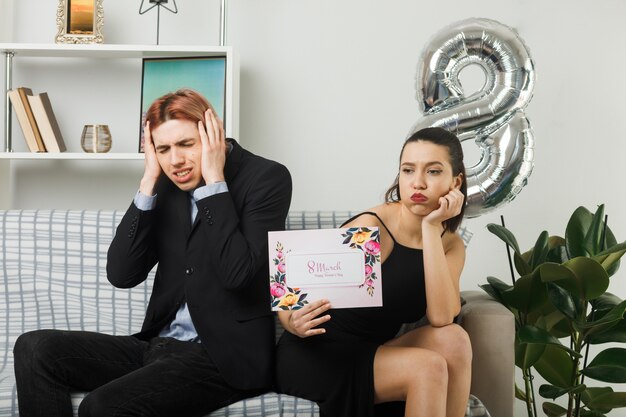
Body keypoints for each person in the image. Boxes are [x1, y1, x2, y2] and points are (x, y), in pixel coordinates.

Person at [13, 88, 293, 417]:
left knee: (100, 407)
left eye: (186, 144)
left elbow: (238, 274)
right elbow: (122, 274)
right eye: (163, 149)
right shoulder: (165, 181)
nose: (175, 160)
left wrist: (214, 180)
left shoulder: (267, 179)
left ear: (213, 134)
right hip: (157, 345)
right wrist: (149, 179)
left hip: (222, 357)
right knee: (34, 348)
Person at [275, 127, 472, 417]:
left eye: (432, 172)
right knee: (427, 367)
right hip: (317, 353)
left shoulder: (449, 244)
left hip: (372, 350)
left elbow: (442, 318)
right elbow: (290, 291)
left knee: (454, 340)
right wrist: (293, 322)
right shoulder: (371, 227)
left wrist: (431, 228)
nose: (417, 183)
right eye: (408, 170)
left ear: (456, 182)